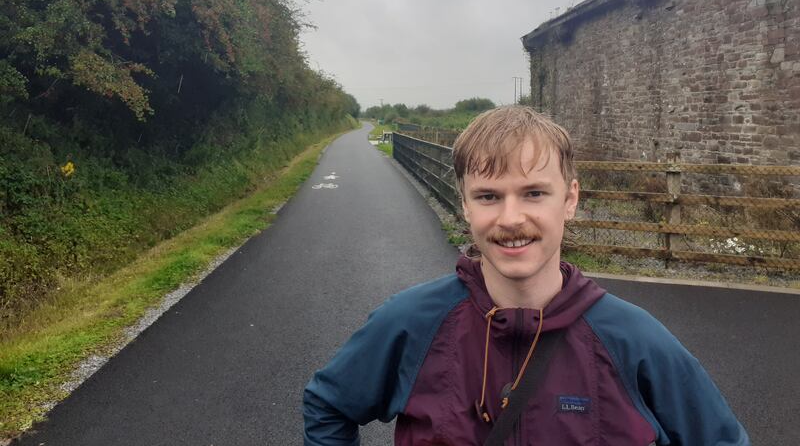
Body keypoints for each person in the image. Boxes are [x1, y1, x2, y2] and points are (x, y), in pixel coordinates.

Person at [303, 105, 750, 445]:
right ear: (465, 204)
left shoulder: (635, 342)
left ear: (570, 199)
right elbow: (328, 405)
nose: (511, 218)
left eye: (534, 192)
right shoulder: (411, 323)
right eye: (488, 196)